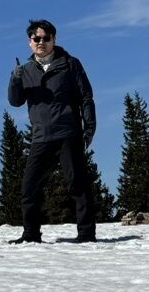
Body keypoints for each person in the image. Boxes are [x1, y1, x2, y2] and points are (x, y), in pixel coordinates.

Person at [7, 19, 97, 243]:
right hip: (41, 137)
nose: (41, 42)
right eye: (36, 38)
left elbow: (86, 97)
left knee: (77, 184)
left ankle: (86, 234)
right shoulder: (25, 70)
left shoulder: (70, 64)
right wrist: (15, 79)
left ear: (54, 40)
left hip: (68, 132)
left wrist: (89, 127)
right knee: (29, 187)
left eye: (46, 38)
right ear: (29, 42)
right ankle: (30, 235)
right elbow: (15, 101)